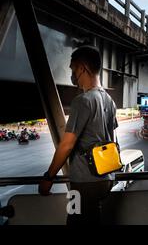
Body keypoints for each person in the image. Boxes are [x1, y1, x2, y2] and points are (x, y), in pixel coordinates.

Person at [38, 45, 118, 225]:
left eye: (73, 68)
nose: (72, 74)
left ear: (82, 67)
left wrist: (48, 177)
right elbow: (110, 138)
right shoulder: (109, 100)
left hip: (83, 183)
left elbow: (67, 145)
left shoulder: (82, 101)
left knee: (74, 222)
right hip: (105, 179)